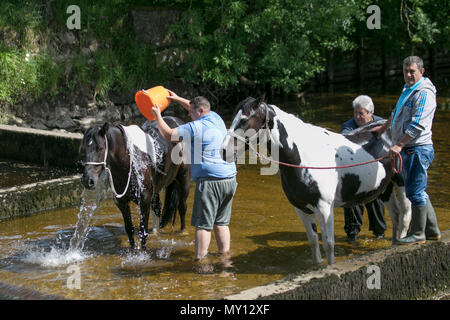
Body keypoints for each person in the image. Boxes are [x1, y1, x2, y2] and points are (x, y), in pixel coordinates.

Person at [150, 91, 238, 262]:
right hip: (229, 179)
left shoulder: (194, 127)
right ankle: (225, 260)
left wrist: (158, 116)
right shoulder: (217, 118)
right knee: (221, 223)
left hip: (210, 183)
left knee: (203, 226)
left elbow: (168, 134)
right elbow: (194, 107)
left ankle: (200, 262)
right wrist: (176, 99)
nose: (188, 114)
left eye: (190, 112)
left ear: (200, 112)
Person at [374, 56, 441, 244]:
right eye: (406, 71)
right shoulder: (408, 90)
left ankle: (419, 234)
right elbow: (396, 113)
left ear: (422, 71)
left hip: (418, 149)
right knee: (415, 191)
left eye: (412, 71)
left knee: (416, 192)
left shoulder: (424, 93)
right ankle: (433, 230)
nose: (409, 75)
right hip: (410, 149)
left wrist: (398, 145)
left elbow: (417, 125)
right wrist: (383, 128)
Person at [341, 95, 386, 241]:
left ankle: (379, 234)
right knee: (351, 203)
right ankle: (352, 236)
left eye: (361, 113)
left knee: (375, 200)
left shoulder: (383, 123)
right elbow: (344, 137)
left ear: (370, 112)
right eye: (355, 113)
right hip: (354, 171)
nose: (357, 116)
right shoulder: (348, 126)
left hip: (374, 170)